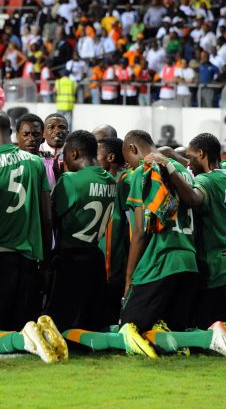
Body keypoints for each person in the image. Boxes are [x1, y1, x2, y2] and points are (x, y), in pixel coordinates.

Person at [146, 133, 226, 330]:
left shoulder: (207, 181)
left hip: (213, 270)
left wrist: (168, 167)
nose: (188, 163)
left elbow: (193, 198)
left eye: (191, 156)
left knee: (211, 335)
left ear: (201, 153)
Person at [0, 111, 52, 334]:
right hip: (28, 259)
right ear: (11, 131)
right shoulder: (36, 162)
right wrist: (45, 263)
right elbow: (47, 217)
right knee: (22, 331)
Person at [119, 130, 199, 358]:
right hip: (189, 262)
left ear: (133, 149)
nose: (129, 165)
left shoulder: (142, 172)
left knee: (129, 327)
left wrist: (129, 277)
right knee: (174, 331)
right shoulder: (182, 171)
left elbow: (141, 231)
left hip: (160, 261)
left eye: (128, 159)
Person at [45, 130, 116, 332]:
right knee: (91, 323)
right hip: (94, 256)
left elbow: (53, 218)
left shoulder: (69, 180)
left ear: (74, 154)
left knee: (58, 324)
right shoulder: (110, 180)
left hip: (70, 256)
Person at [96, 137, 131, 326]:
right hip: (105, 259)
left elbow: (131, 226)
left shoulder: (125, 181)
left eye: (96, 154)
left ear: (110, 157)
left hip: (117, 261)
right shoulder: (104, 180)